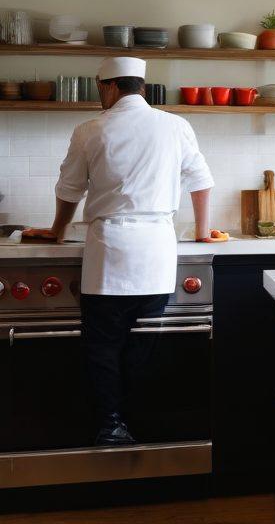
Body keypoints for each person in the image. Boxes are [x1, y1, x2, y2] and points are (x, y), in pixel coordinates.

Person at [38, 57, 215, 446]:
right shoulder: (175, 126)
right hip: (157, 251)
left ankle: (112, 424)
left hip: (110, 251)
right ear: (141, 87)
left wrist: (57, 230)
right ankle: (146, 422)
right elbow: (201, 180)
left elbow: (69, 189)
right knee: (146, 342)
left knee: (104, 345)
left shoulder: (90, 130)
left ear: (109, 86)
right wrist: (203, 232)